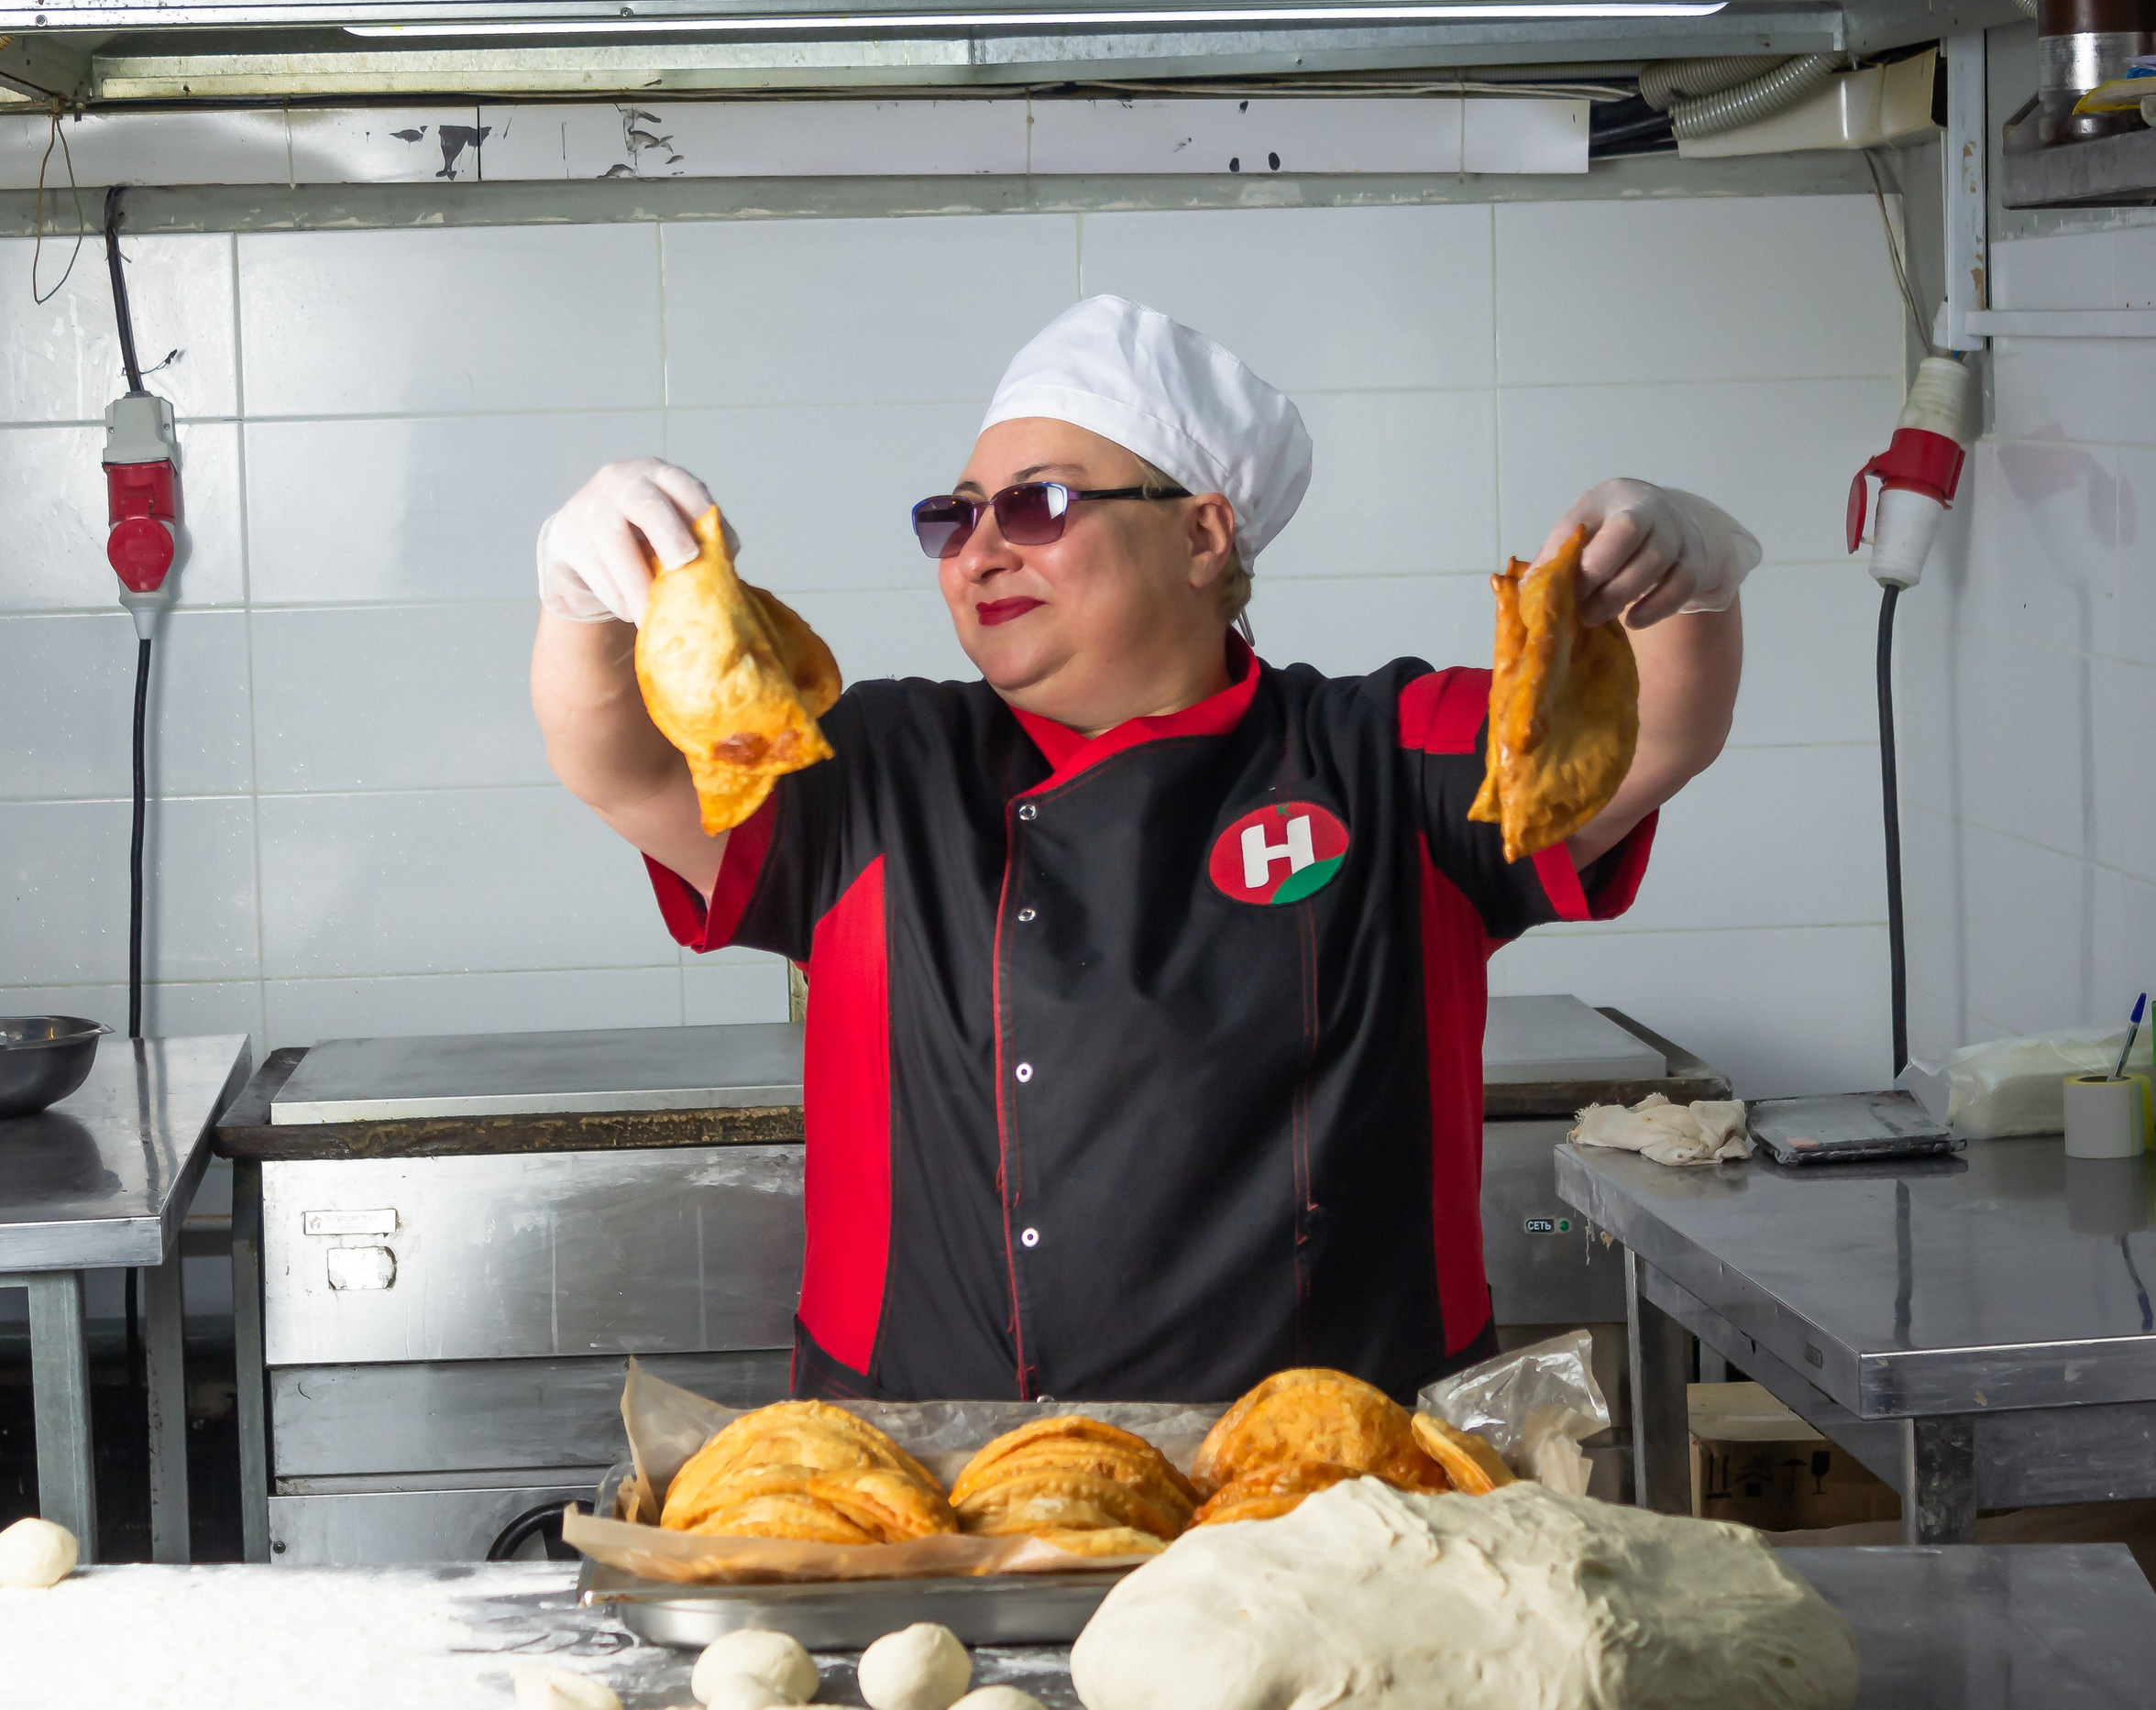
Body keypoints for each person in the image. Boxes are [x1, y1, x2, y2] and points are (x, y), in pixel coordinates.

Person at [530, 295, 1754, 1404]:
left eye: (1038, 503)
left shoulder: (1379, 755)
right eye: (955, 518)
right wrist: (585, 604)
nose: (981, 549)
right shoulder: (879, 769)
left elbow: (1650, 735)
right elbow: (628, 763)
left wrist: (1683, 586)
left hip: (1338, 1508)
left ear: (1204, 535)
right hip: (932, 1492)